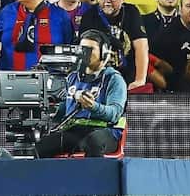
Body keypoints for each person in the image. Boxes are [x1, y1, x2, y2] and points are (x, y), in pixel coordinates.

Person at [32, 29, 128, 158]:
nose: (84, 53)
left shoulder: (114, 79)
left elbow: (114, 114)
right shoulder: (72, 77)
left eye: (90, 49)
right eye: (82, 49)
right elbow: (64, 110)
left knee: (93, 142)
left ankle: (94, 178)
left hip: (105, 131)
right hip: (75, 130)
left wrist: (93, 106)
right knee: (41, 145)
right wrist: (47, 110)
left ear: (103, 53)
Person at [0, 0, 74, 70]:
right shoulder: (7, 12)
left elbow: (69, 47)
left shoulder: (60, 16)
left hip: (47, 80)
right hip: (9, 79)